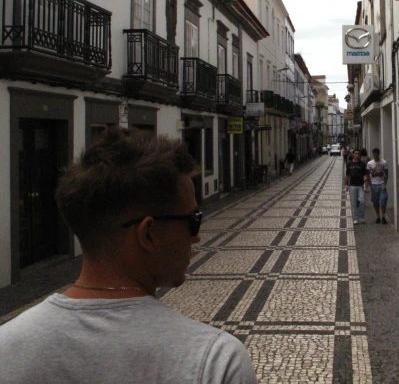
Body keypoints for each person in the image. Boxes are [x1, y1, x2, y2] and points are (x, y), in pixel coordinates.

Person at [0, 127, 258, 384]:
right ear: (148, 234)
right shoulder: (214, 361)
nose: (196, 237)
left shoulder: (6, 346)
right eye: (193, 220)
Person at [344, 149, 368, 225]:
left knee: (362, 201)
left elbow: (365, 174)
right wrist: (346, 184)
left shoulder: (362, 164)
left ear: (360, 155)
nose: (357, 155)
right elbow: (347, 175)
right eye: (355, 153)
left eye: (358, 154)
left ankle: (361, 217)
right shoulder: (349, 164)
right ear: (353, 154)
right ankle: (355, 219)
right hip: (352, 186)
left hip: (360, 185)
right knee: (354, 203)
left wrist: (365, 178)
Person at [367, 147, 389, 224]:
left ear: (379, 154)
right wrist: (370, 183)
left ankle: (383, 216)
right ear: (373, 154)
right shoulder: (370, 163)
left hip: (381, 184)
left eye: (376, 154)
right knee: (375, 201)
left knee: (383, 200)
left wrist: (384, 182)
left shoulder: (384, 162)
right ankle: (378, 216)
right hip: (374, 184)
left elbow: (386, 173)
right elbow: (368, 174)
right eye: (374, 154)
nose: (375, 156)